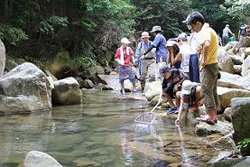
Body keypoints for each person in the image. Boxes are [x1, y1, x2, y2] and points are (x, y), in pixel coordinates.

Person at [183, 11, 220, 124]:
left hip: (208, 65)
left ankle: (211, 117)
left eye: (192, 26)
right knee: (212, 90)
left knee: (206, 90)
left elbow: (207, 44)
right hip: (213, 64)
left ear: (198, 23)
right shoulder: (209, 30)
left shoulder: (205, 31)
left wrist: (204, 60)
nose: (192, 29)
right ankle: (214, 115)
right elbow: (207, 45)